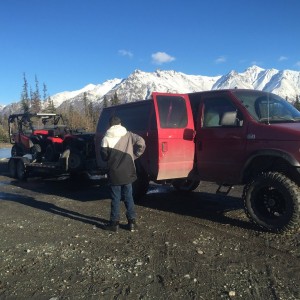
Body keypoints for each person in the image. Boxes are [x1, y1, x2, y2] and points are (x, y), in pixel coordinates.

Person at [100, 116, 146, 232]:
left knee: (115, 198)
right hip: (128, 170)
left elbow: (104, 157)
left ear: (110, 125)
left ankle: (114, 224)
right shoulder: (129, 134)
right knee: (128, 196)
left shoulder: (106, 138)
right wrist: (135, 155)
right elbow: (142, 142)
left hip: (114, 172)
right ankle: (132, 223)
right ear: (120, 124)